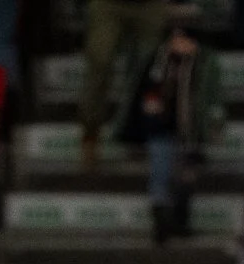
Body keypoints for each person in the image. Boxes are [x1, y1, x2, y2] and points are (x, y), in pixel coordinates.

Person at [121, 19, 223, 244]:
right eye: (175, 39)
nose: (178, 44)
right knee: (160, 174)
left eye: (183, 39)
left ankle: (180, 220)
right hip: (161, 128)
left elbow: (213, 97)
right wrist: (149, 108)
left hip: (191, 130)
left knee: (187, 176)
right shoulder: (157, 61)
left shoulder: (204, 64)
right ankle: (161, 225)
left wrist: (215, 123)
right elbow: (143, 91)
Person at [80, 0, 169, 168]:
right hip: (108, 5)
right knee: (100, 62)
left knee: (152, 66)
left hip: (150, 5)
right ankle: (90, 135)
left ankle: (142, 134)